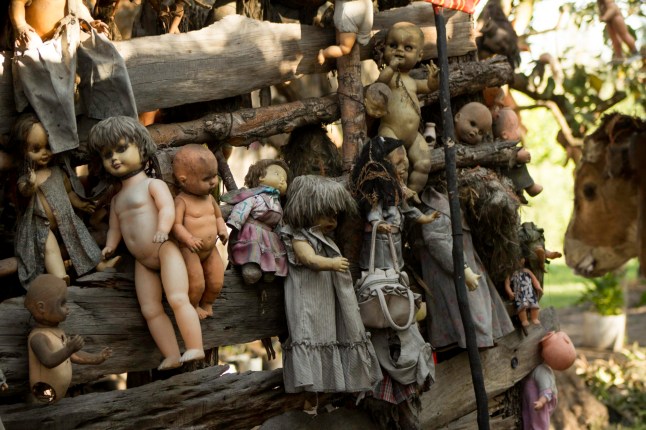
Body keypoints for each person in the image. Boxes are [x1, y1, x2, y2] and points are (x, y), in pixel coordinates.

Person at [88, 116, 204, 370]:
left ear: (140, 148)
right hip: (143, 261)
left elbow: (166, 209)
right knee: (150, 310)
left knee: (177, 298)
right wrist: (110, 245)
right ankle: (171, 354)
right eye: (108, 155)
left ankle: (195, 346)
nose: (114, 158)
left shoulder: (153, 184)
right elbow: (116, 229)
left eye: (121, 149)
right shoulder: (117, 199)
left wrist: (163, 229)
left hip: (163, 249)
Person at [280, 175, 382, 393]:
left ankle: (332, 381)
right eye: (327, 214)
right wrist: (332, 263)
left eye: (335, 216)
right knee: (311, 336)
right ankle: (312, 386)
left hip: (324, 301)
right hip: (308, 300)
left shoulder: (324, 238)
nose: (333, 221)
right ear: (308, 208)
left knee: (327, 335)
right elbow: (309, 259)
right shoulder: (300, 237)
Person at [10, 0, 137, 154]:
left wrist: (90, 22)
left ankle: (115, 123)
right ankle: (64, 142)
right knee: (50, 81)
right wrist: (20, 25)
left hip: (68, 34)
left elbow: (76, 6)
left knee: (106, 58)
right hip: (35, 40)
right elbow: (16, 4)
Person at [12, 112, 119, 287]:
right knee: (50, 249)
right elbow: (23, 191)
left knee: (81, 236)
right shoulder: (28, 177)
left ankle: (100, 264)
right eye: (36, 149)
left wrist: (80, 204)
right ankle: (60, 277)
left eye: (48, 147)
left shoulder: (57, 172)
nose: (45, 153)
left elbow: (68, 193)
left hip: (65, 217)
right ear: (23, 151)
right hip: (40, 224)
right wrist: (30, 185)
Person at [413, 186, 515, 350]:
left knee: (479, 308)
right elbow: (438, 243)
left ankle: (482, 338)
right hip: (453, 272)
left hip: (467, 264)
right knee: (468, 313)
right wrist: (464, 269)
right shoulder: (438, 206)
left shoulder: (450, 200)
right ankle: (474, 340)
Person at [349, 136, 438, 271]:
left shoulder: (394, 189)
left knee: (395, 265)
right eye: (398, 164)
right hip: (380, 239)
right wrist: (377, 223)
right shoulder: (378, 189)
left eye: (404, 162)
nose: (403, 168)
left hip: (394, 236)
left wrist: (424, 218)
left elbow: (406, 209)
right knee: (381, 266)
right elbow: (374, 209)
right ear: (383, 165)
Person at [375, 22, 439, 197]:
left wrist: (434, 81)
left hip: (412, 135)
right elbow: (380, 83)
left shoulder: (411, 81)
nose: (399, 51)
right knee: (398, 161)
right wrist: (391, 67)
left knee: (424, 163)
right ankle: (397, 192)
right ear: (384, 48)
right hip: (390, 131)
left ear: (419, 56)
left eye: (407, 47)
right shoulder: (389, 76)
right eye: (393, 45)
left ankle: (412, 194)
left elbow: (427, 86)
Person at [25, 274, 111, 403]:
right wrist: (69, 348)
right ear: (41, 307)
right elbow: (48, 360)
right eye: (62, 303)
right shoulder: (38, 337)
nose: (67, 307)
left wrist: (97, 358)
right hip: (43, 392)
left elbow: (73, 356)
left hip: (56, 395)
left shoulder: (58, 332)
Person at [172, 144, 228, 319]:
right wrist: (188, 239)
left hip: (210, 249)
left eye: (214, 176)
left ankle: (207, 303)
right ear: (183, 180)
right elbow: (176, 226)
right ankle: (193, 305)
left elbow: (218, 217)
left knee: (217, 280)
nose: (213, 182)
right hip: (190, 250)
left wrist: (222, 229)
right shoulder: (182, 201)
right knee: (196, 283)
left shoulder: (210, 198)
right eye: (206, 178)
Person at [221, 159, 290, 285]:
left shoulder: (278, 204)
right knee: (253, 250)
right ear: (261, 177)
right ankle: (251, 269)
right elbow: (243, 207)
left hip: (269, 235)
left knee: (270, 252)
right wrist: (236, 222)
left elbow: (279, 223)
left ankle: (269, 270)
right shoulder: (254, 197)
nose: (282, 180)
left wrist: (282, 235)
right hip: (252, 232)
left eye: (284, 179)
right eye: (277, 174)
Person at [523, 331, 577, 430]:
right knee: (529, 420)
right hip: (532, 401)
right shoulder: (542, 369)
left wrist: (541, 402)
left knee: (538, 424)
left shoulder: (541, 371)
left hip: (537, 404)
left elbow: (547, 392)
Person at [492, 107, 543, 201]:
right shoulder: (500, 148)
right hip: (504, 176)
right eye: (515, 128)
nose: (518, 131)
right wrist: (518, 156)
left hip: (508, 179)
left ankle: (520, 193)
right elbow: (504, 156)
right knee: (519, 167)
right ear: (505, 135)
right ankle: (530, 186)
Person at [317, 0, 374, 65]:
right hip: (352, 12)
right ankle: (324, 53)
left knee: (362, 37)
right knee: (345, 49)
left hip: (358, 9)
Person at [504, 257, 543, 328]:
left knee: (534, 305)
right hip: (519, 294)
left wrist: (538, 287)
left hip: (529, 291)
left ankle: (534, 318)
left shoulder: (527, 271)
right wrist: (510, 293)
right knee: (522, 307)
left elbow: (534, 279)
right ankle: (524, 320)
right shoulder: (511, 273)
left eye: (521, 259)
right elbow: (507, 284)